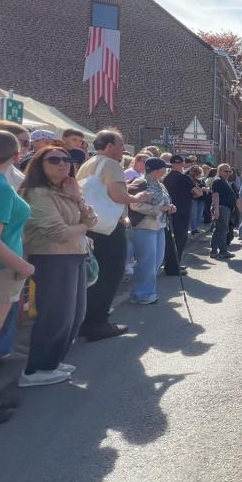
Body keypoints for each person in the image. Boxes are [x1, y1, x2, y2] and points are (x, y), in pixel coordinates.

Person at [18, 145, 97, 386]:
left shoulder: (67, 189)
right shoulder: (37, 193)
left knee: (75, 314)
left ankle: (53, 361)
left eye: (67, 159)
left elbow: (92, 218)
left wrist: (77, 198)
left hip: (74, 254)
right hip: (51, 257)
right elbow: (58, 233)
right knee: (56, 314)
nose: (63, 163)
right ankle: (36, 368)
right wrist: (83, 228)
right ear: (40, 165)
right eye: (54, 160)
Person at [76, 130, 150, 341]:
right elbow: (117, 194)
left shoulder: (87, 163)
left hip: (90, 225)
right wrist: (137, 196)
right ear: (109, 146)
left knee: (94, 275)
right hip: (108, 227)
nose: (123, 150)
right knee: (110, 274)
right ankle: (97, 323)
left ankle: (86, 319)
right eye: (120, 145)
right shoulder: (110, 164)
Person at [128, 158, 174, 305]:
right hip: (144, 226)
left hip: (159, 226)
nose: (167, 169)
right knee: (147, 262)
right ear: (157, 170)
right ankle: (143, 294)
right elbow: (135, 205)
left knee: (156, 261)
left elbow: (165, 202)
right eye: (164, 168)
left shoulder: (160, 184)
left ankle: (140, 290)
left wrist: (170, 208)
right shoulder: (141, 182)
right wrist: (159, 209)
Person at [162, 155, 200, 276]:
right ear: (183, 164)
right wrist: (190, 195)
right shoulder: (185, 178)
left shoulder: (166, 178)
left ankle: (171, 265)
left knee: (170, 240)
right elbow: (198, 192)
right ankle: (173, 267)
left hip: (169, 211)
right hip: (182, 212)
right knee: (179, 240)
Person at [210, 164, 237, 259]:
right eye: (226, 171)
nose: (228, 173)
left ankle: (219, 251)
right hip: (221, 208)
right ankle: (220, 251)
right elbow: (215, 196)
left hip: (224, 208)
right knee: (221, 229)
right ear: (220, 171)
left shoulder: (222, 180)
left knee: (221, 229)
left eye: (230, 171)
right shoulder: (218, 181)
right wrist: (216, 209)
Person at [0, 121, 28, 190]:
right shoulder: (1, 171)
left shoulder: (9, 169)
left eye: (28, 143)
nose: (27, 147)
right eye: (25, 142)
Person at [188, 166, 206, 235]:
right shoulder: (190, 179)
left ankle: (196, 228)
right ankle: (193, 229)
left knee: (199, 214)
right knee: (194, 214)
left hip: (201, 199)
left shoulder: (200, 180)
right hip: (194, 199)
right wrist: (203, 189)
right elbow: (192, 188)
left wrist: (205, 188)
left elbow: (202, 186)